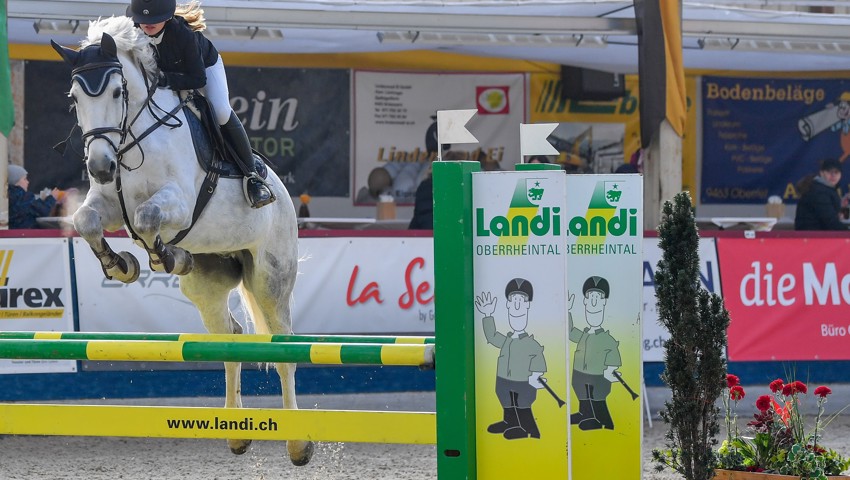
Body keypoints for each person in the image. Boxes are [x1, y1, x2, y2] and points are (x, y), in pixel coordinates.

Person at [126, 0, 274, 209]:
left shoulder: (183, 35)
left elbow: (197, 79)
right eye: (143, 19)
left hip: (203, 68)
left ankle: (252, 176)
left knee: (221, 111)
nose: (148, 24)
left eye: (155, 19)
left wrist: (164, 80)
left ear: (167, 17)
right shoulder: (132, 31)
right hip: (162, 77)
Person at [475, 278, 546, 440]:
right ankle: (510, 422)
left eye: (521, 300)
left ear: (528, 305)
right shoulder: (507, 339)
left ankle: (529, 430)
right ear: (507, 304)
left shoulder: (531, 343)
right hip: (503, 379)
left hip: (522, 380)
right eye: (513, 300)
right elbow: (492, 337)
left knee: (522, 404)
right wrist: (487, 315)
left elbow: (538, 358)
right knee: (506, 400)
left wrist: (536, 375)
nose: (517, 305)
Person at [568, 276, 622, 431]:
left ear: (604, 302)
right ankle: (585, 413)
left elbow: (613, 360)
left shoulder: (607, 339)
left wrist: (610, 371)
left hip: (598, 377)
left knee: (597, 399)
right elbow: (570, 332)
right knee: (583, 396)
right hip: (579, 374)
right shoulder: (584, 335)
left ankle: (603, 421)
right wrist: (569, 311)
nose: (593, 302)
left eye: (598, 297)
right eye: (590, 297)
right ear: (585, 301)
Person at [794, 158, 849, 230]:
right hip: (812, 238)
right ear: (822, 173)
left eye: (836, 172)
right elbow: (830, 223)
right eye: (829, 172)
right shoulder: (818, 192)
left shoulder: (827, 188)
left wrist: (842, 207)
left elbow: (834, 217)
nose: (833, 175)